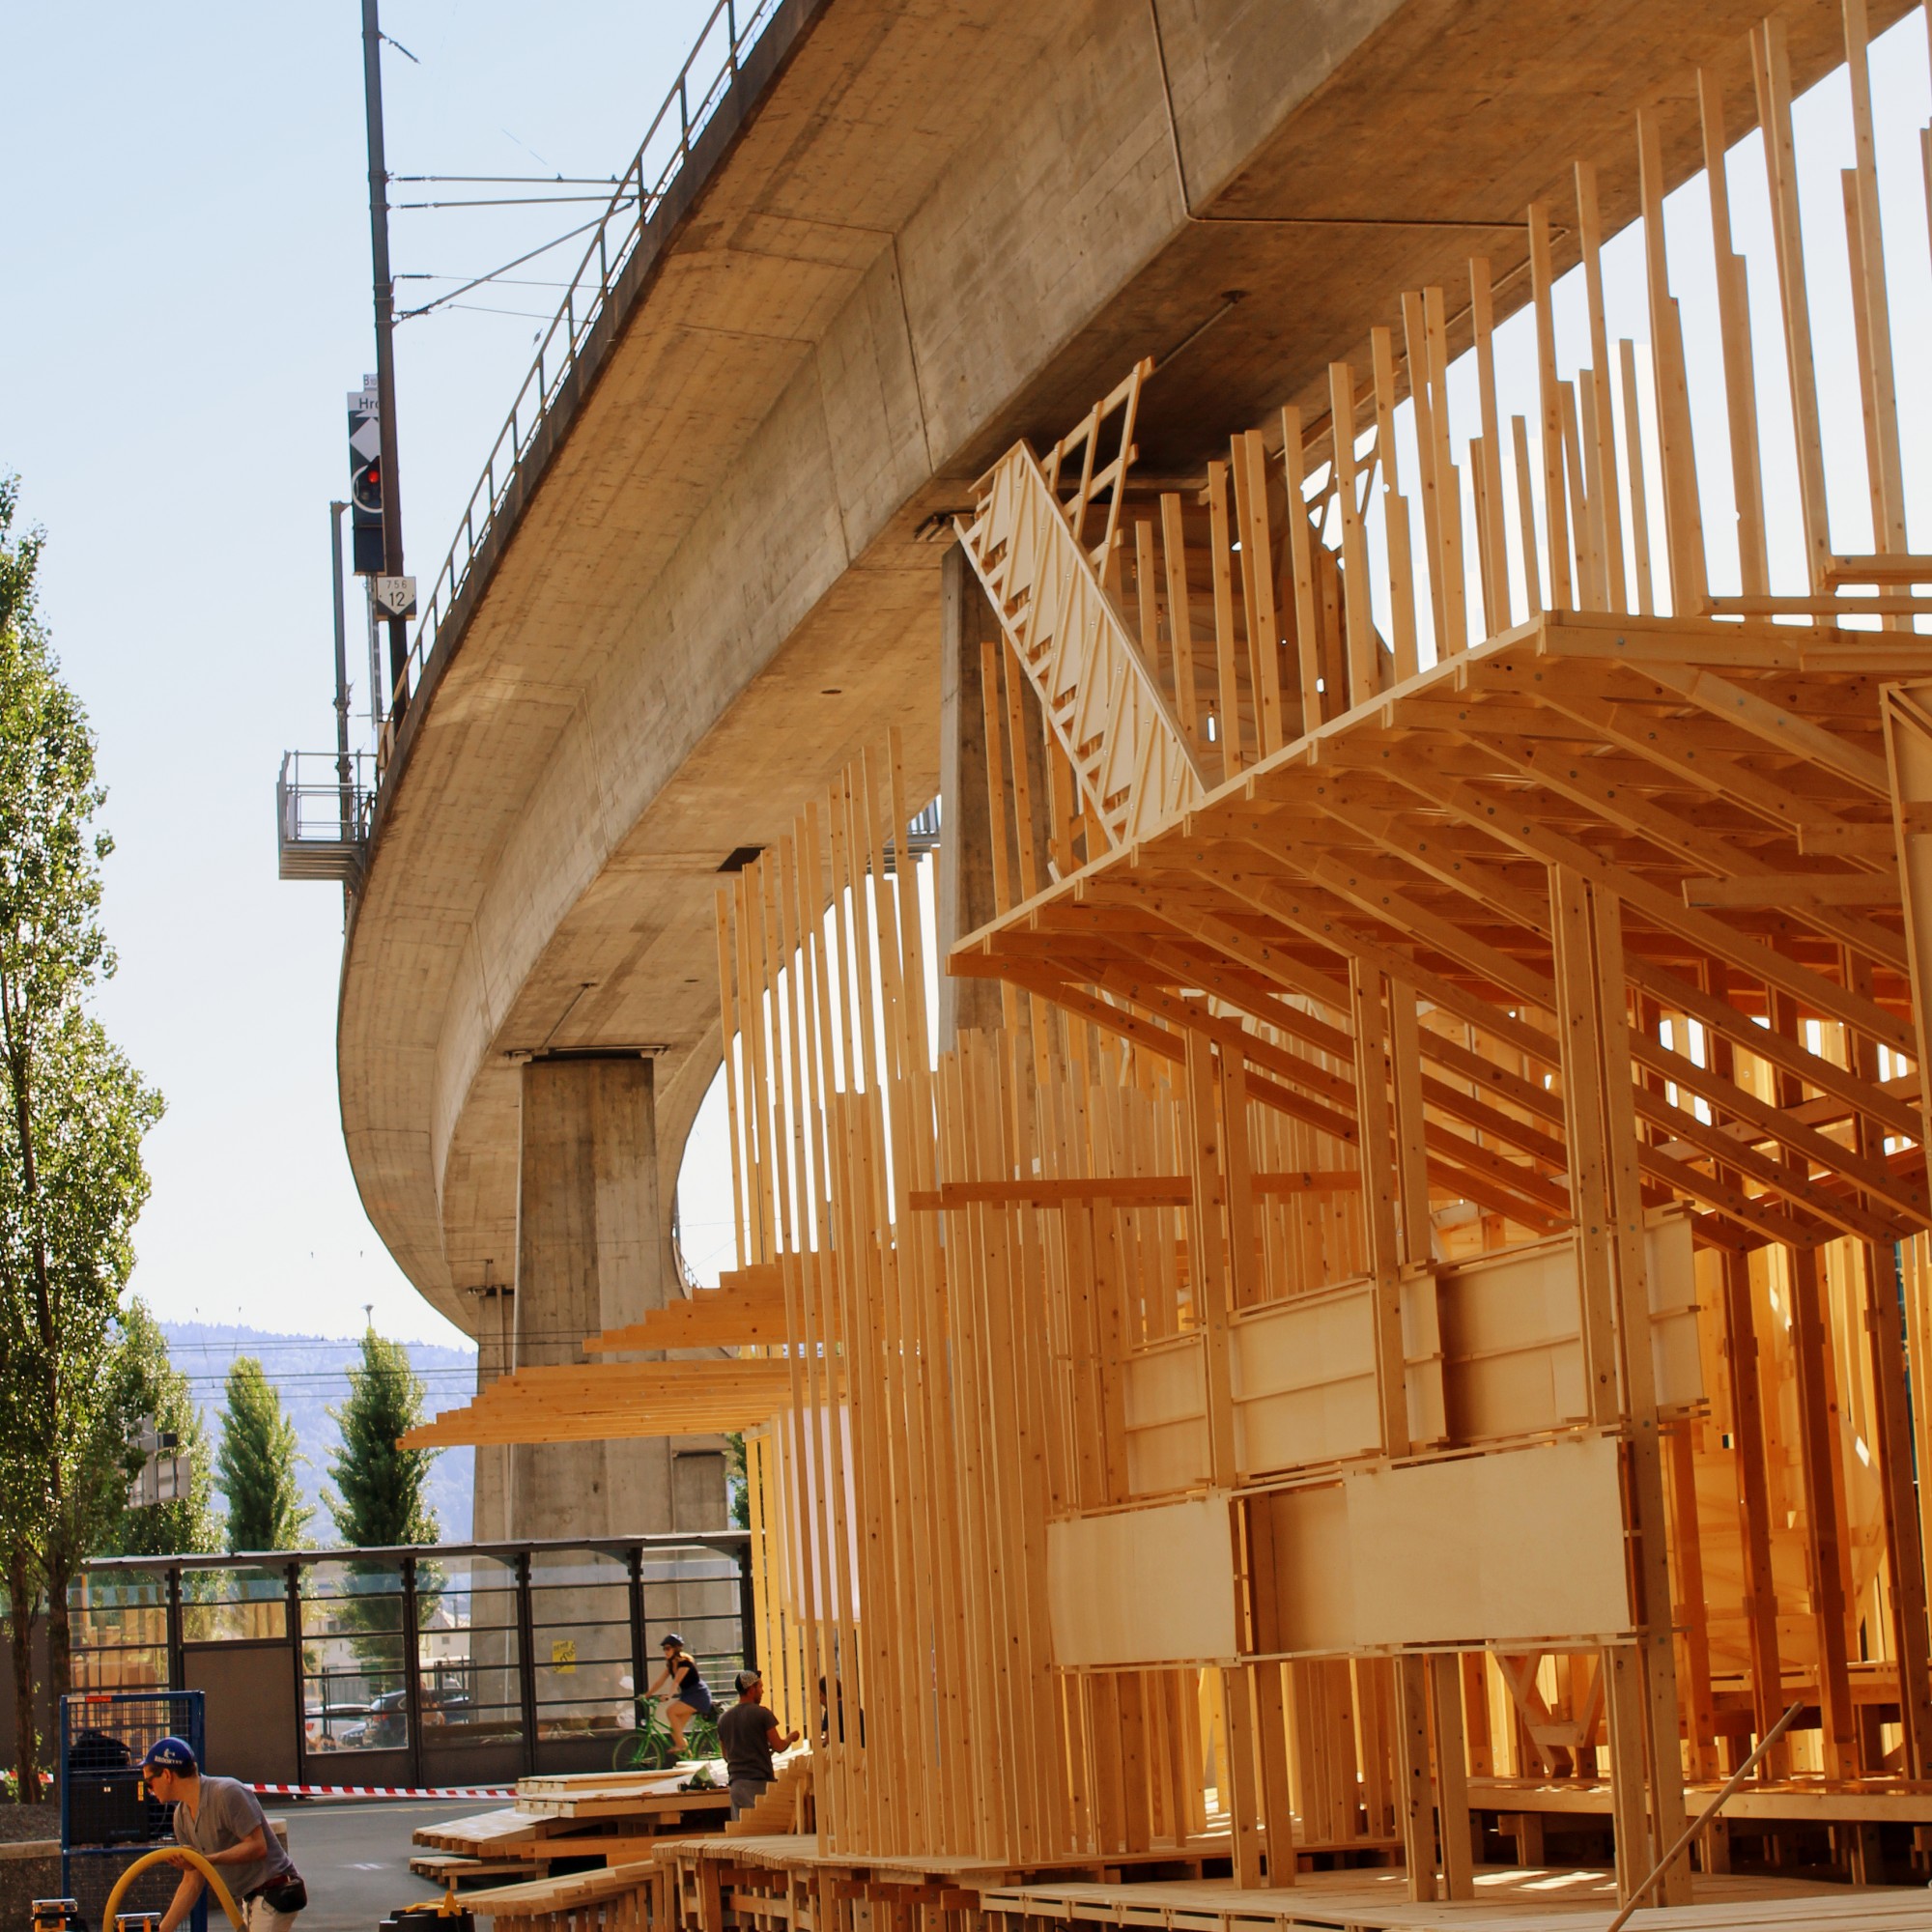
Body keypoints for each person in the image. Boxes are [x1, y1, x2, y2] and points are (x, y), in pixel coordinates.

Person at [144, 1737, 306, 1932]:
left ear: (167, 1775)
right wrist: (163, 1929)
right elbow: (192, 1881)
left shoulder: (226, 1793)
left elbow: (258, 1847)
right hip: (252, 1897)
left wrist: (207, 1860)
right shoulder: (181, 1817)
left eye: (149, 1782)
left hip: (275, 1891)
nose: (149, 1790)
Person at [717, 1670, 800, 1821]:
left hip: (736, 1784)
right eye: (760, 1687)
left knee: (741, 1834)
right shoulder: (762, 1714)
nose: (762, 1691)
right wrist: (790, 1738)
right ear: (751, 1690)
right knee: (762, 1829)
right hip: (759, 1784)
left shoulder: (723, 1719)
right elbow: (779, 1746)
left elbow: (725, 1755)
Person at [642, 1632, 715, 1756]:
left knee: (671, 1711)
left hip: (698, 1695)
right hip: (687, 1696)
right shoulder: (671, 1664)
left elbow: (676, 1681)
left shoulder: (685, 1663)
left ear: (676, 1649)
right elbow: (660, 1681)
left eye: (668, 1648)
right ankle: (690, 1758)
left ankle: (681, 1746)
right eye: (664, 1649)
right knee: (675, 1731)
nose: (665, 1651)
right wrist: (647, 1694)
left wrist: (669, 1696)